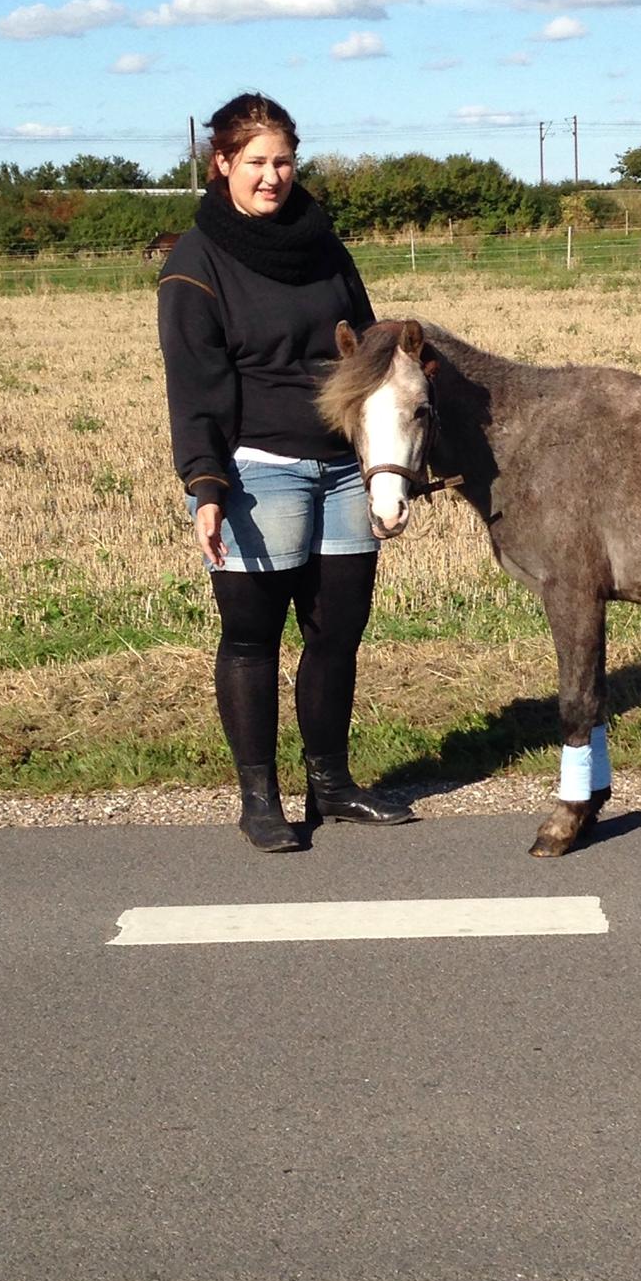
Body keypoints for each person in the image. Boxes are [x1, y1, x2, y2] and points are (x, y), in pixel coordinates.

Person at [157, 91, 413, 851]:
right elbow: (194, 383)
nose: (273, 177)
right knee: (251, 636)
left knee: (337, 634)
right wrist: (205, 483)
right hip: (257, 470)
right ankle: (260, 797)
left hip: (340, 470)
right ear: (223, 164)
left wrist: (390, 455)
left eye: (284, 162)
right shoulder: (195, 264)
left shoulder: (323, 242)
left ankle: (330, 785)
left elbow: (366, 347)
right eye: (258, 163)